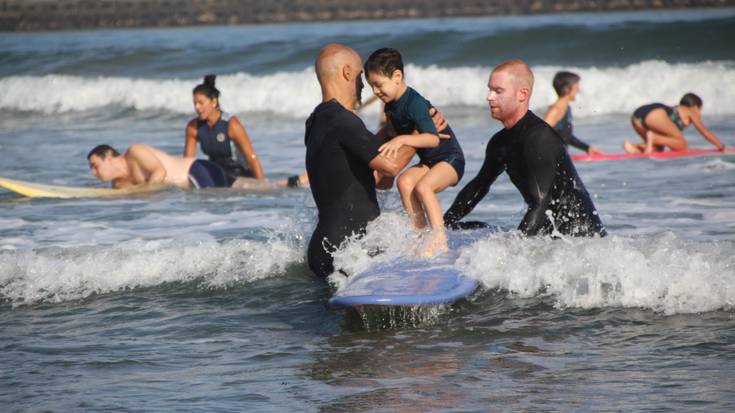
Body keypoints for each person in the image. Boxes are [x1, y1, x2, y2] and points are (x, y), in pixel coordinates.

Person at [443, 60, 606, 237]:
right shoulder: (500, 142)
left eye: (498, 91)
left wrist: (514, 251)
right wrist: (442, 226)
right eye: (489, 90)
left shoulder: (539, 138)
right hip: (550, 236)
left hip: (582, 241)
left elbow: (541, 203)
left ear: (522, 94)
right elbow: (478, 186)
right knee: (470, 227)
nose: (489, 97)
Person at [364, 47, 465, 256]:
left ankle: (440, 239)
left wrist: (402, 140)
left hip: (450, 159)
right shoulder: (391, 106)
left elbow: (432, 138)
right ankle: (421, 234)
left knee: (424, 187)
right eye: (371, 86)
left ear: (397, 76)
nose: (375, 91)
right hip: (430, 163)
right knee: (405, 182)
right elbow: (390, 130)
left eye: (378, 84)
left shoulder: (415, 103)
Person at [184, 74, 308, 188]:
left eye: (201, 103)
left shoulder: (231, 124)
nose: (197, 108)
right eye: (195, 103)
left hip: (239, 175)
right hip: (217, 176)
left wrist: (261, 183)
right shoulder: (193, 127)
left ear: (214, 102)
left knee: (267, 187)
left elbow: (251, 157)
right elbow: (187, 163)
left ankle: (297, 181)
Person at [87, 144, 232, 189]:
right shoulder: (118, 184)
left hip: (197, 171)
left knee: (218, 203)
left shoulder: (135, 152)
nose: (94, 173)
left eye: (95, 166)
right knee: (243, 186)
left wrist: (143, 191)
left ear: (109, 159)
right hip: (188, 187)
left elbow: (160, 172)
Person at [625, 93, 725, 154]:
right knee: (682, 145)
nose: (700, 114)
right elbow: (704, 131)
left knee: (658, 149)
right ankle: (654, 137)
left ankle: (634, 147)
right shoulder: (690, 111)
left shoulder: (676, 109)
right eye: (700, 110)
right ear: (695, 107)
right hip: (656, 114)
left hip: (636, 117)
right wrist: (720, 146)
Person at [543, 71, 601, 155]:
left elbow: (567, 137)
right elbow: (540, 135)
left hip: (561, 157)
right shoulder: (555, 110)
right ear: (567, 89)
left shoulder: (567, 108)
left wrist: (587, 148)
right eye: (576, 87)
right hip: (552, 158)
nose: (578, 90)